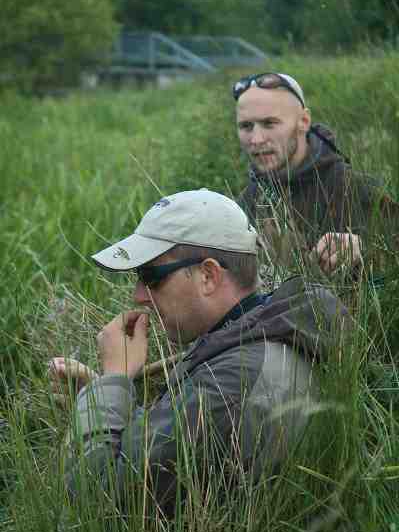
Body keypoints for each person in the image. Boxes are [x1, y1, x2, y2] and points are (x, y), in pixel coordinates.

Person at [51, 189, 350, 512]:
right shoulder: (268, 330)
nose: (139, 295)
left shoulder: (230, 381)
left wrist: (115, 377)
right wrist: (102, 394)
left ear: (208, 275)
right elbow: (170, 447)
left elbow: (92, 496)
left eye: (150, 276)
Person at [234, 72, 397, 276]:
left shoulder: (353, 188)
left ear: (303, 121)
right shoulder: (245, 203)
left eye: (269, 124)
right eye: (246, 126)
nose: (256, 139)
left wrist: (363, 250)